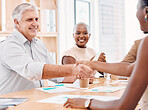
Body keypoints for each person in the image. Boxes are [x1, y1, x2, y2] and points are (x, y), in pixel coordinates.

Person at [64, 0, 148, 109]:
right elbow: (129, 68)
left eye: (137, 9)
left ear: (146, 11)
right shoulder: (68, 54)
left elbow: (123, 106)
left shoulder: (146, 43)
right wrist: (92, 64)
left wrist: (87, 102)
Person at [0, 3, 94, 95]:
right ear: (17, 22)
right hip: (11, 103)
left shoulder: (39, 44)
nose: (35, 24)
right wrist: (73, 69)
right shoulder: (9, 45)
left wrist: (79, 77)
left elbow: (57, 78)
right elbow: (31, 70)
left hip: (33, 99)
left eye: (36, 19)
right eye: (29, 20)